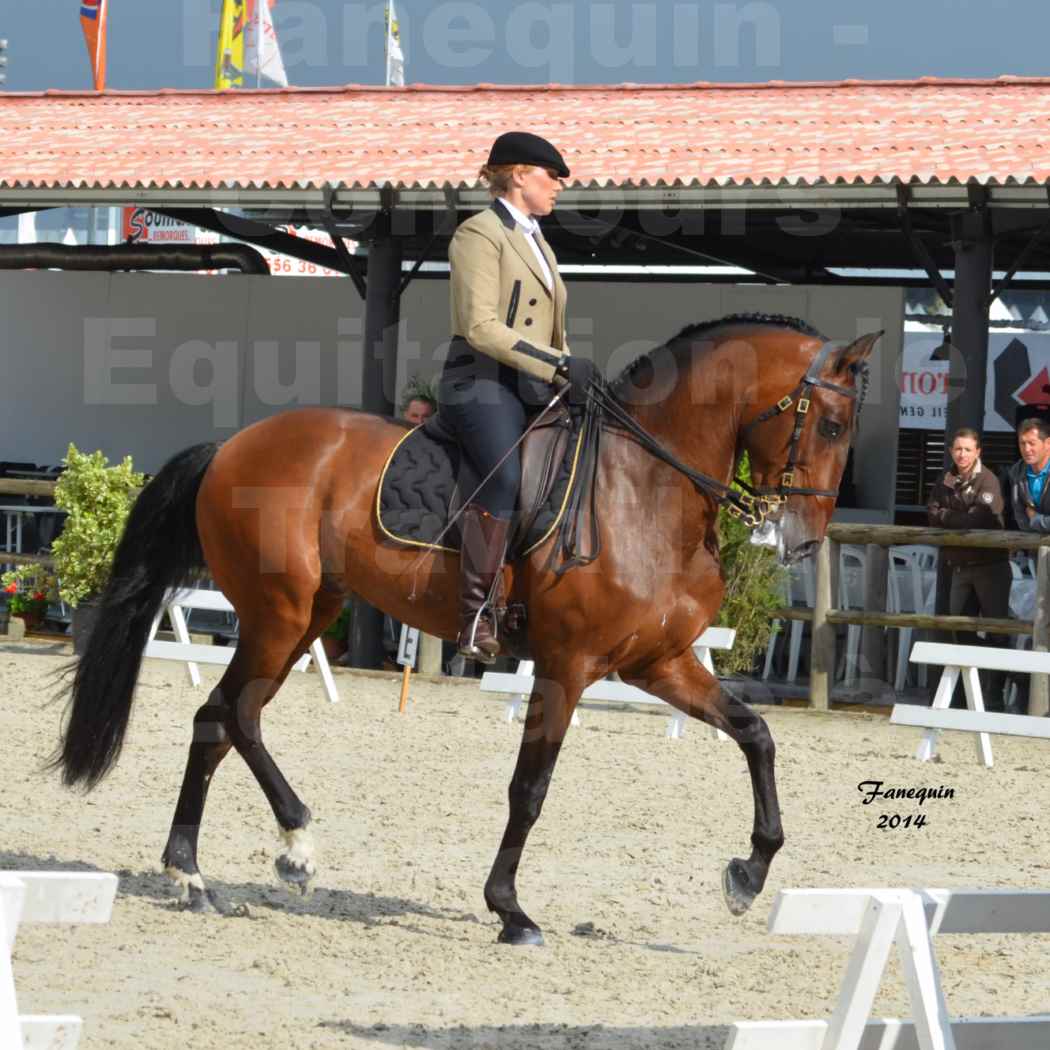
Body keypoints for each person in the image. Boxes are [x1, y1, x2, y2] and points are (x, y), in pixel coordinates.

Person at [439, 131, 597, 662]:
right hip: (481, 379)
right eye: (552, 177)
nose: (558, 187)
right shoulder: (478, 234)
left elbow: (551, 329)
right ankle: (475, 614)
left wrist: (570, 372)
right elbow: (481, 326)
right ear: (520, 175)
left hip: (530, 381)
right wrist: (557, 364)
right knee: (505, 475)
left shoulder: (536, 239)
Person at [927, 427, 1011, 711]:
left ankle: (997, 695)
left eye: (967, 449)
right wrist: (958, 517)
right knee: (958, 630)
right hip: (960, 567)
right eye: (957, 449)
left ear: (978, 452)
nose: (961, 454)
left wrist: (948, 516)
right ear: (951, 451)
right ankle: (964, 697)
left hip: (991, 567)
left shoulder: (989, 480)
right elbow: (932, 512)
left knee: (998, 631)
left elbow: (981, 519)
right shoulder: (946, 477)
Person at [1008, 417, 1050, 532]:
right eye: (1022, 443)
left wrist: (1035, 519)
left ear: (1048, 444)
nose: (1026, 449)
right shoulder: (1016, 471)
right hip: (1031, 545)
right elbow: (1020, 517)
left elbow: (1030, 519)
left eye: (1032, 443)